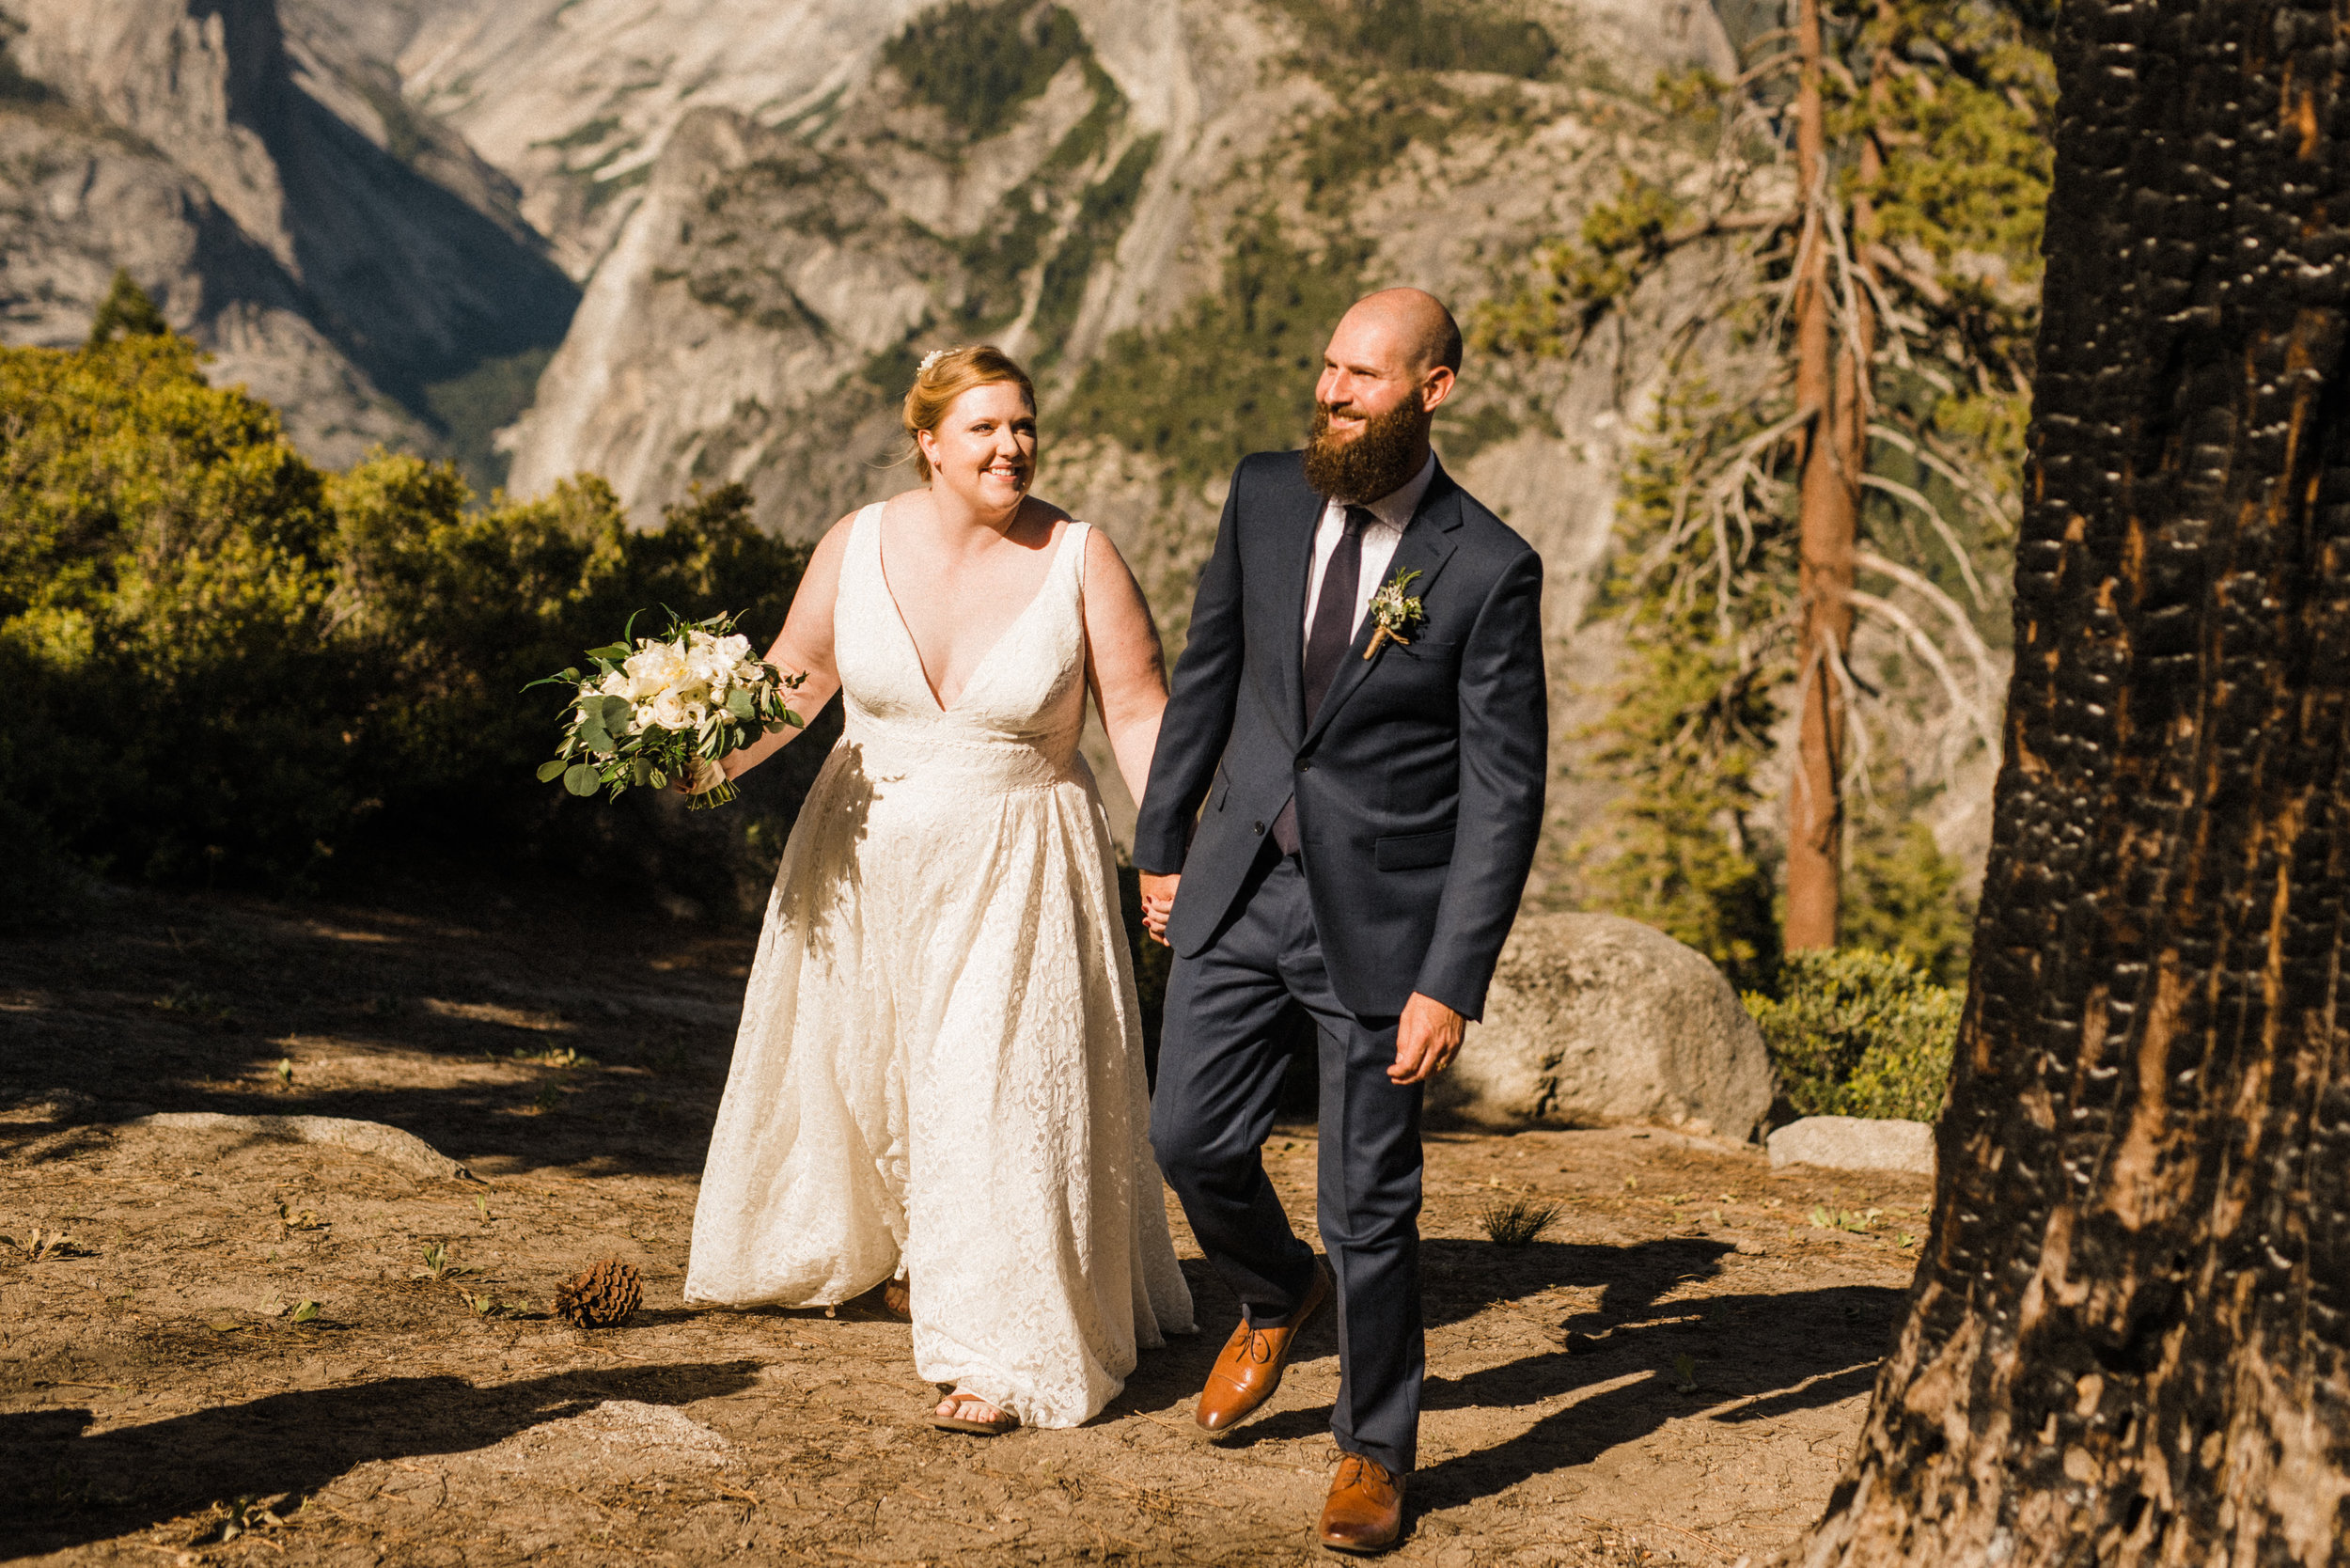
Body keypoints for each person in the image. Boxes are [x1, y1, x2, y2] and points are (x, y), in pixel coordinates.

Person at [679, 344, 1194, 1435]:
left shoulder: (1080, 556)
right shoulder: (856, 543)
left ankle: (1000, 1350)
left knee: (994, 1090)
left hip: (1019, 860)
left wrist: (1169, 848)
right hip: (861, 853)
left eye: (1024, 426)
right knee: (876, 1069)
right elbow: (798, 676)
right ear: (927, 441)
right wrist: (695, 752)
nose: (1012, 448)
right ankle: (908, 1255)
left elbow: (1140, 714)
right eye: (985, 429)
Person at [1134, 290, 1546, 1552]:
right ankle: (1276, 1290)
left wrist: (1451, 980)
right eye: (1328, 367)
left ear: (1434, 389)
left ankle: (1373, 1454)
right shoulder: (1263, 495)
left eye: (1365, 375)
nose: (1333, 392)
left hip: (1381, 930)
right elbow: (1208, 675)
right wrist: (1160, 848)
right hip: (1236, 884)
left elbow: (1504, 793)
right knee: (1187, 1137)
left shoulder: (1485, 566)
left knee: (1371, 1204)